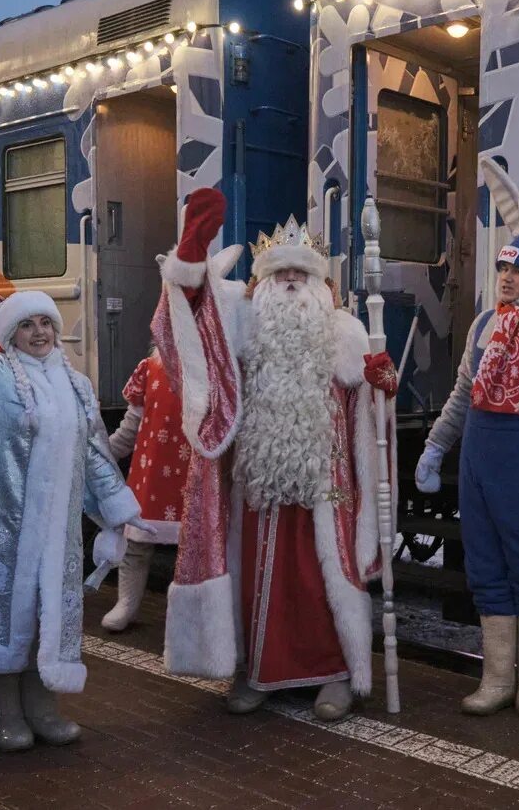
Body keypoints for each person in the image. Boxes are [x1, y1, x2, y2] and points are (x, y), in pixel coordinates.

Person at [0, 230, 153, 751]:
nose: (39, 332)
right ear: (10, 333)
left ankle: (43, 706)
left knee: (44, 615)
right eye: (27, 325)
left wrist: (119, 513)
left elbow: (94, 454)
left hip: (57, 528)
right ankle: (5, 712)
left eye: (47, 324)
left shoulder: (78, 385)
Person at [153, 189, 397, 721]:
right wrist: (192, 252)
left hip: (326, 488)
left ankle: (334, 676)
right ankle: (256, 672)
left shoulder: (348, 333)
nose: (289, 283)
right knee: (256, 576)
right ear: (260, 284)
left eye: (300, 275)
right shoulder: (242, 326)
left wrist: (381, 388)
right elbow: (193, 335)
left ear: (319, 285)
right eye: (279, 275)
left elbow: (368, 417)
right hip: (258, 482)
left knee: (322, 578)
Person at [414, 158, 519, 718]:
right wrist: (437, 447)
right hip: (480, 462)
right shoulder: (486, 324)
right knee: (484, 566)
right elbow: (463, 393)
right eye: (504, 269)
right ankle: (495, 680)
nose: (507, 278)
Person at [100, 265, 189, 631]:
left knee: (191, 549)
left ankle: (183, 616)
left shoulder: (214, 371)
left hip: (191, 476)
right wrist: (100, 455)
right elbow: (131, 428)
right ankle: (126, 604)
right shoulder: (148, 369)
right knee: (136, 543)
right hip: (150, 474)